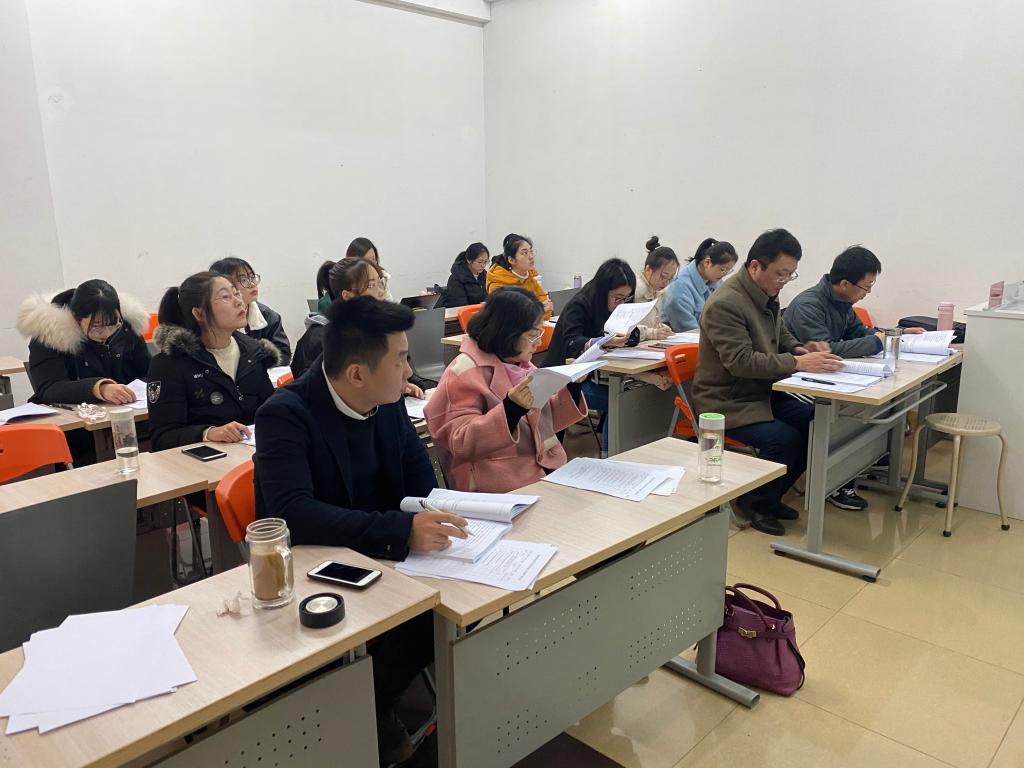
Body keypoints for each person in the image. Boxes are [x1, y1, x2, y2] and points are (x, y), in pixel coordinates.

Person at [254, 296, 466, 764]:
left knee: (459, 603)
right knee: (426, 621)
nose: (409, 371)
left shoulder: (386, 401)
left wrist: (436, 516)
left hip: (383, 550)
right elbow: (295, 514)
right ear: (356, 374)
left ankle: (387, 700)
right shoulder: (285, 414)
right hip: (321, 564)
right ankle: (365, 706)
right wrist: (401, 530)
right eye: (400, 360)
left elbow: (419, 478)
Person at [691, 229, 843, 535]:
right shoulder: (726, 303)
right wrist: (797, 363)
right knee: (785, 439)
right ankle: (753, 502)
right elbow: (741, 361)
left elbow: (779, 331)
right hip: (726, 400)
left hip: (759, 391)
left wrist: (799, 349)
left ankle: (771, 495)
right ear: (755, 266)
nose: (784, 281)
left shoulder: (764, 292)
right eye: (780, 273)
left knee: (814, 421)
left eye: (790, 274)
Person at [784, 245, 926, 511]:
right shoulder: (808, 305)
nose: (866, 293)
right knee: (841, 412)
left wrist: (894, 334)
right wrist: (876, 341)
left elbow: (860, 333)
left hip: (829, 375)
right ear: (845, 284)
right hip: (799, 381)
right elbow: (828, 349)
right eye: (866, 287)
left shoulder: (842, 303)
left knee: (873, 401)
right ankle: (835, 481)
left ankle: (865, 457)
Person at [425, 288, 588, 492]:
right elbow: (461, 442)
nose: (538, 343)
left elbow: (544, 421)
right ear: (508, 333)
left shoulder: (520, 364)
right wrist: (510, 410)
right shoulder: (464, 372)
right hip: (496, 482)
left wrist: (572, 387)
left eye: (539, 334)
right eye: (533, 336)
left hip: (541, 469)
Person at [147, 272, 280, 450]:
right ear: (199, 313)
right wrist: (208, 433)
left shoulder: (253, 351)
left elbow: (272, 410)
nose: (238, 301)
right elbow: (163, 437)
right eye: (225, 297)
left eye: (236, 293)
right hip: (205, 461)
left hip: (255, 453)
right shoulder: (170, 363)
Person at [291, 258, 428, 396]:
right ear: (348, 296)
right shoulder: (321, 338)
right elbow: (321, 395)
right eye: (371, 285)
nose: (381, 292)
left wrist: (406, 386)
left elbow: (405, 369)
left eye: (380, 283)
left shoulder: (379, 328)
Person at [544, 258, 638, 451]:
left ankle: (613, 451)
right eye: (618, 298)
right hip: (565, 380)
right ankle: (609, 454)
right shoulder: (580, 304)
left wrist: (629, 335)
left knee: (630, 394)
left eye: (627, 298)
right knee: (620, 400)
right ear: (604, 291)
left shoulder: (618, 306)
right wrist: (603, 342)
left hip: (595, 375)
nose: (621, 304)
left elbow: (632, 333)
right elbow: (571, 342)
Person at [16, 280, 151, 406]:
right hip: (74, 417)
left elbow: (148, 372)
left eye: (113, 324)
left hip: (127, 410)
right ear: (76, 317)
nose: (106, 333)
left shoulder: (126, 327)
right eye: (96, 326)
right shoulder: (50, 336)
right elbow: (48, 389)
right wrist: (99, 388)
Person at [209, 257, 291, 364]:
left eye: (252, 278)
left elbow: (283, 356)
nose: (252, 284)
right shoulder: (210, 318)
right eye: (243, 280)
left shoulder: (269, 316)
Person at [662, 238, 739, 332]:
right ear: (707, 262)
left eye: (728, 271)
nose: (724, 274)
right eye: (723, 269)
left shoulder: (715, 281)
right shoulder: (680, 289)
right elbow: (691, 332)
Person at [486, 233, 553, 319]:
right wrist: (540, 311)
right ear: (511, 260)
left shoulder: (529, 278)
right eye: (525, 253)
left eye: (531, 251)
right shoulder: (498, 284)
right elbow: (512, 319)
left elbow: (548, 308)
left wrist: (539, 312)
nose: (531, 256)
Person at [635, 235, 679, 341]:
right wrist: (652, 333)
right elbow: (625, 330)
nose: (666, 282)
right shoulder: (635, 291)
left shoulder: (657, 291)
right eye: (663, 276)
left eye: (670, 279)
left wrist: (662, 328)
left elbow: (651, 324)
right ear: (648, 270)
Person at [439, 242, 489, 308]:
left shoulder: (485, 275)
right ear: (469, 260)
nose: (483, 265)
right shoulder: (456, 279)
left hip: (483, 312)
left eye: (486, 261)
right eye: (480, 262)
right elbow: (460, 306)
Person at [347, 236, 394, 301]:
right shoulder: (349, 280)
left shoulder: (382, 276)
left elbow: (389, 301)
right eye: (366, 261)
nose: (372, 264)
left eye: (373, 259)